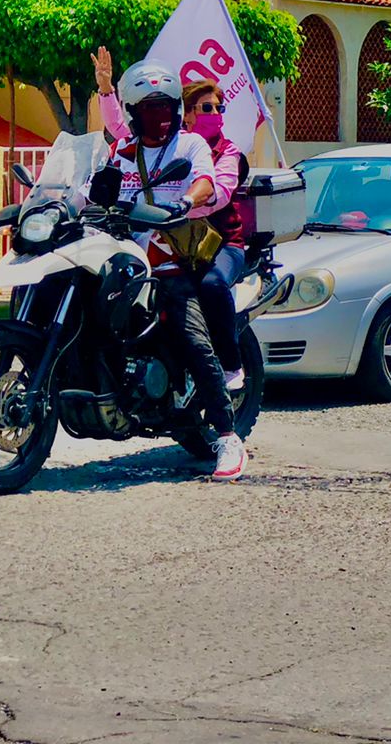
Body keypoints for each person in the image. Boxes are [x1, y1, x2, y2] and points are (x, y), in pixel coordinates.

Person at [100, 58, 246, 482]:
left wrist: (185, 202)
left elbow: (205, 182)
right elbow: (94, 185)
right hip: (123, 256)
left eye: (165, 107)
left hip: (169, 260)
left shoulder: (189, 147)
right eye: (148, 109)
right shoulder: (122, 152)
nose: (158, 117)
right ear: (133, 113)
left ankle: (227, 437)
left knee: (192, 336)